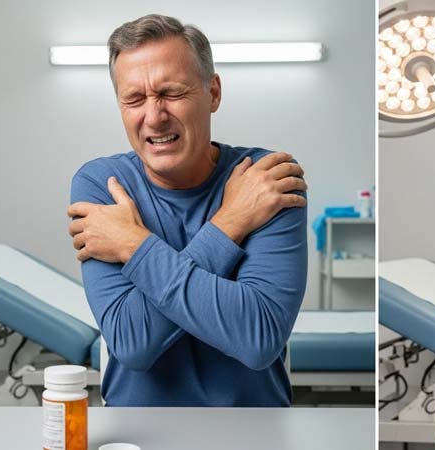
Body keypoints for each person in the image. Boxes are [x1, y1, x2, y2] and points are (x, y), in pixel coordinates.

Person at [67, 14, 308, 407]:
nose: (154, 115)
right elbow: (132, 342)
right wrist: (230, 222)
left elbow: (259, 338)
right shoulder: (102, 184)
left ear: (212, 92)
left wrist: (133, 245)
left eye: (171, 93)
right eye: (134, 99)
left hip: (253, 429)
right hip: (138, 433)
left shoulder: (266, 179)